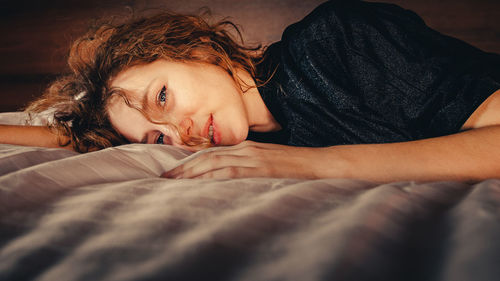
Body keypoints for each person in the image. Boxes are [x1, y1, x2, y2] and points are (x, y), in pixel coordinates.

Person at [1, 0, 499, 182]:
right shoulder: (238, 137)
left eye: (163, 98)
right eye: (157, 139)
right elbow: (73, 137)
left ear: (196, 49)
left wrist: (322, 165)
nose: (181, 135)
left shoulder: (337, 38)